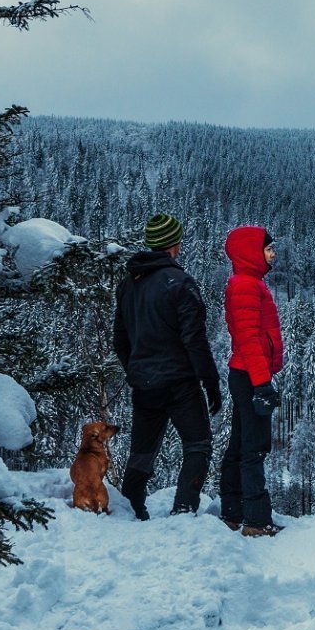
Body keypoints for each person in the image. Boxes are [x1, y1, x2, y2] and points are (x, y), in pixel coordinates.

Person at [111, 213, 223, 519]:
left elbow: (120, 341)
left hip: (143, 384)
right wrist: (210, 382)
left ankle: (131, 508)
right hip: (179, 383)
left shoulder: (127, 286)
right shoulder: (180, 283)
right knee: (197, 444)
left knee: (143, 451)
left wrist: (137, 369)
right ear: (174, 244)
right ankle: (184, 509)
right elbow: (194, 340)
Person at [219, 224, 285, 537]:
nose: (273, 253)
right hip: (249, 374)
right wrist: (262, 383)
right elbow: (248, 339)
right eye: (268, 248)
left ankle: (232, 512)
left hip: (246, 373)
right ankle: (257, 521)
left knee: (241, 443)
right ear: (251, 252)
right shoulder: (245, 285)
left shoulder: (249, 283)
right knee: (253, 447)